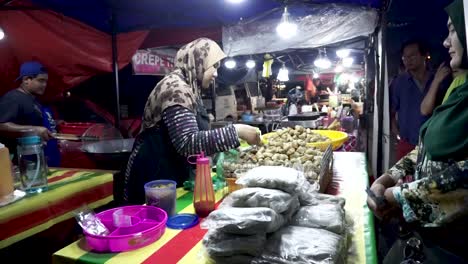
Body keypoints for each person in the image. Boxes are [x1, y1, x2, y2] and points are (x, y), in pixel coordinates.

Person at [368, 0, 468, 260]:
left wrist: (399, 196)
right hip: (425, 235)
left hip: (454, 245)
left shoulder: (447, 81)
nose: (446, 42)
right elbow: (426, 146)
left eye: (453, 30)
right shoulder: (459, 89)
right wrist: (385, 180)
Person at [124, 38, 261, 204]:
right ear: (198, 61)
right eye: (214, 66)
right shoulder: (175, 88)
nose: (216, 74)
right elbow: (187, 142)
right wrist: (237, 131)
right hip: (155, 175)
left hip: (171, 170)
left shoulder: (189, 88)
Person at [389, 40, 449, 160]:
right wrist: (398, 133)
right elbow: (391, 112)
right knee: (404, 177)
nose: (407, 60)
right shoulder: (399, 82)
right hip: (407, 144)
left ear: (424, 56)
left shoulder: (438, 79)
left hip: (433, 144)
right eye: (404, 57)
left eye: (412, 56)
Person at [0, 61, 60, 166]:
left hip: (37, 158)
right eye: (41, 81)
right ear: (26, 80)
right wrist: (34, 129)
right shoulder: (13, 98)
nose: (44, 85)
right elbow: (2, 125)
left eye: (46, 81)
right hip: (20, 162)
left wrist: (53, 123)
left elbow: (28, 120)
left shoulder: (33, 99)